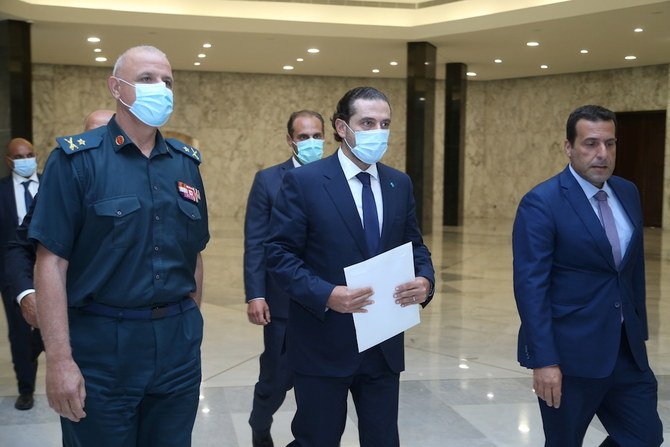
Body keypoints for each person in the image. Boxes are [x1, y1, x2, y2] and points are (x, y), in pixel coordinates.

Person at [28, 46, 209, 447]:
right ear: (116, 87)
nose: (160, 88)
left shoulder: (185, 164)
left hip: (177, 346)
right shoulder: (76, 161)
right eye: (146, 79)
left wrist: (189, 326)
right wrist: (59, 359)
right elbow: (51, 262)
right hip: (103, 347)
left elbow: (193, 254)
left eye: (167, 81)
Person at [265, 86, 435, 447]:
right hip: (324, 341)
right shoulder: (304, 182)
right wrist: (327, 294)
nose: (378, 131)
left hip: (383, 342)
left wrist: (425, 280)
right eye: (368, 122)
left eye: (385, 123)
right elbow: (279, 255)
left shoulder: (398, 183)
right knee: (318, 438)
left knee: (383, 439)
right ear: (342, 127)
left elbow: (414, 244)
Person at [512, 105, 663, 447]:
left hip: (625, 351)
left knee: (645, 437)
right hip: (569, 357)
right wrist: (545, 360)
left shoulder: (627, 192)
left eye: (610, 144)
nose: (602, 154)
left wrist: (637, 329)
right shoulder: (541, 202)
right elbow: (531, 287)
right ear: (568, 147)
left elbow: (630, 270)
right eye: (591, 143)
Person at [245, 110, 325, 447]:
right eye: (303, 136)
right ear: (290, 139)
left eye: (316, 136)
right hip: (282, 302)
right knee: (276, 379)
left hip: (325, 301)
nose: (311, 142)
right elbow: (256, 241)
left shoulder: (333, 177)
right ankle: (259, 424)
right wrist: (255, 293)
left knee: (320, 384)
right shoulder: (268, 180)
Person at [5, 109, 115, 329]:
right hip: (82, 317)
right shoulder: (62, 187)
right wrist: (27, 294)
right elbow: (19, 247)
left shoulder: (148, 184)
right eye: (92, 136)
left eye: (106, 135)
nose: (98, 144)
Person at [0, 138, 44, 410]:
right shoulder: (2, 191)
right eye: (19, 157)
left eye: (29, 154)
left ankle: (37, 345)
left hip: (50, 268)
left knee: (48, 326)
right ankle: (26, 389)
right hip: (13, 273)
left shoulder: (51, 185)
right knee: (18, 332)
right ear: (9, 161)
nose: (25, 160)